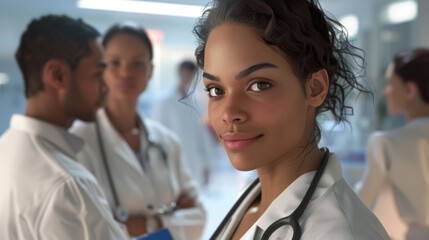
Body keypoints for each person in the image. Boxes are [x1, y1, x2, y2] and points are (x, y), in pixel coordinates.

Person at [192, 0, 390, 239]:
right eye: (216, 90)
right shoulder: (255, 201)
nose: (229, 113)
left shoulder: (343, 233)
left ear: (315, 88)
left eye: (259, 85)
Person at [70, 22, 206, 239]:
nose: (126, 72)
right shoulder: (77, 142)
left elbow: (199, 218)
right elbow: (84, 230)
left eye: (137, 63)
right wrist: (172, 218)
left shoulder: (167, 142)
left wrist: (144, 223)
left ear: (150, 71)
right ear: (100, 69)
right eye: (114, 62)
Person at [0, 15, 127, 239]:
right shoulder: (68, 185)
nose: (106, 86)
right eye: (98, 74)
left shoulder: (6, 148)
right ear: (57, 75)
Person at [355, 48, 429, 239]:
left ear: (410, 90)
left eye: (390, 83)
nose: (386, 92)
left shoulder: (385, 143)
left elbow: (359, 204)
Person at [151, 60, 217, 187]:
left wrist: (206, 165)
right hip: (170, 162)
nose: (188, 78)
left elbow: (200, 135)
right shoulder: (165, 101)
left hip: (193, 162)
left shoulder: (194, 101)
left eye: (191, 75)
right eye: (185, 74)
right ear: (179, 74)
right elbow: (156, 133)